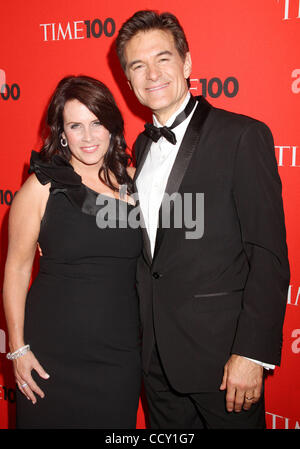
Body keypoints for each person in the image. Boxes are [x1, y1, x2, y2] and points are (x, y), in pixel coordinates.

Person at [115, 10, 290, 429]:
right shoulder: (137, 148)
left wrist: (251, 353)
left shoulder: (241, 136)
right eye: (138, 65)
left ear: (187, 63)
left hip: (224, 363)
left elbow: (268, 254)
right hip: (155, 361)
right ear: (128, 79)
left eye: (163, 58)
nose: (152, 74)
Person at [3, 75, 142, 429]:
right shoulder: (41, 188)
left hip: (119, 357)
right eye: (76, 125)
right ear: (61, 133)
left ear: (111, 125)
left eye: (97, 122)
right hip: (51, 357)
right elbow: (17, 271)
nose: (89, 136)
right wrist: (18, 349)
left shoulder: (136, 185)